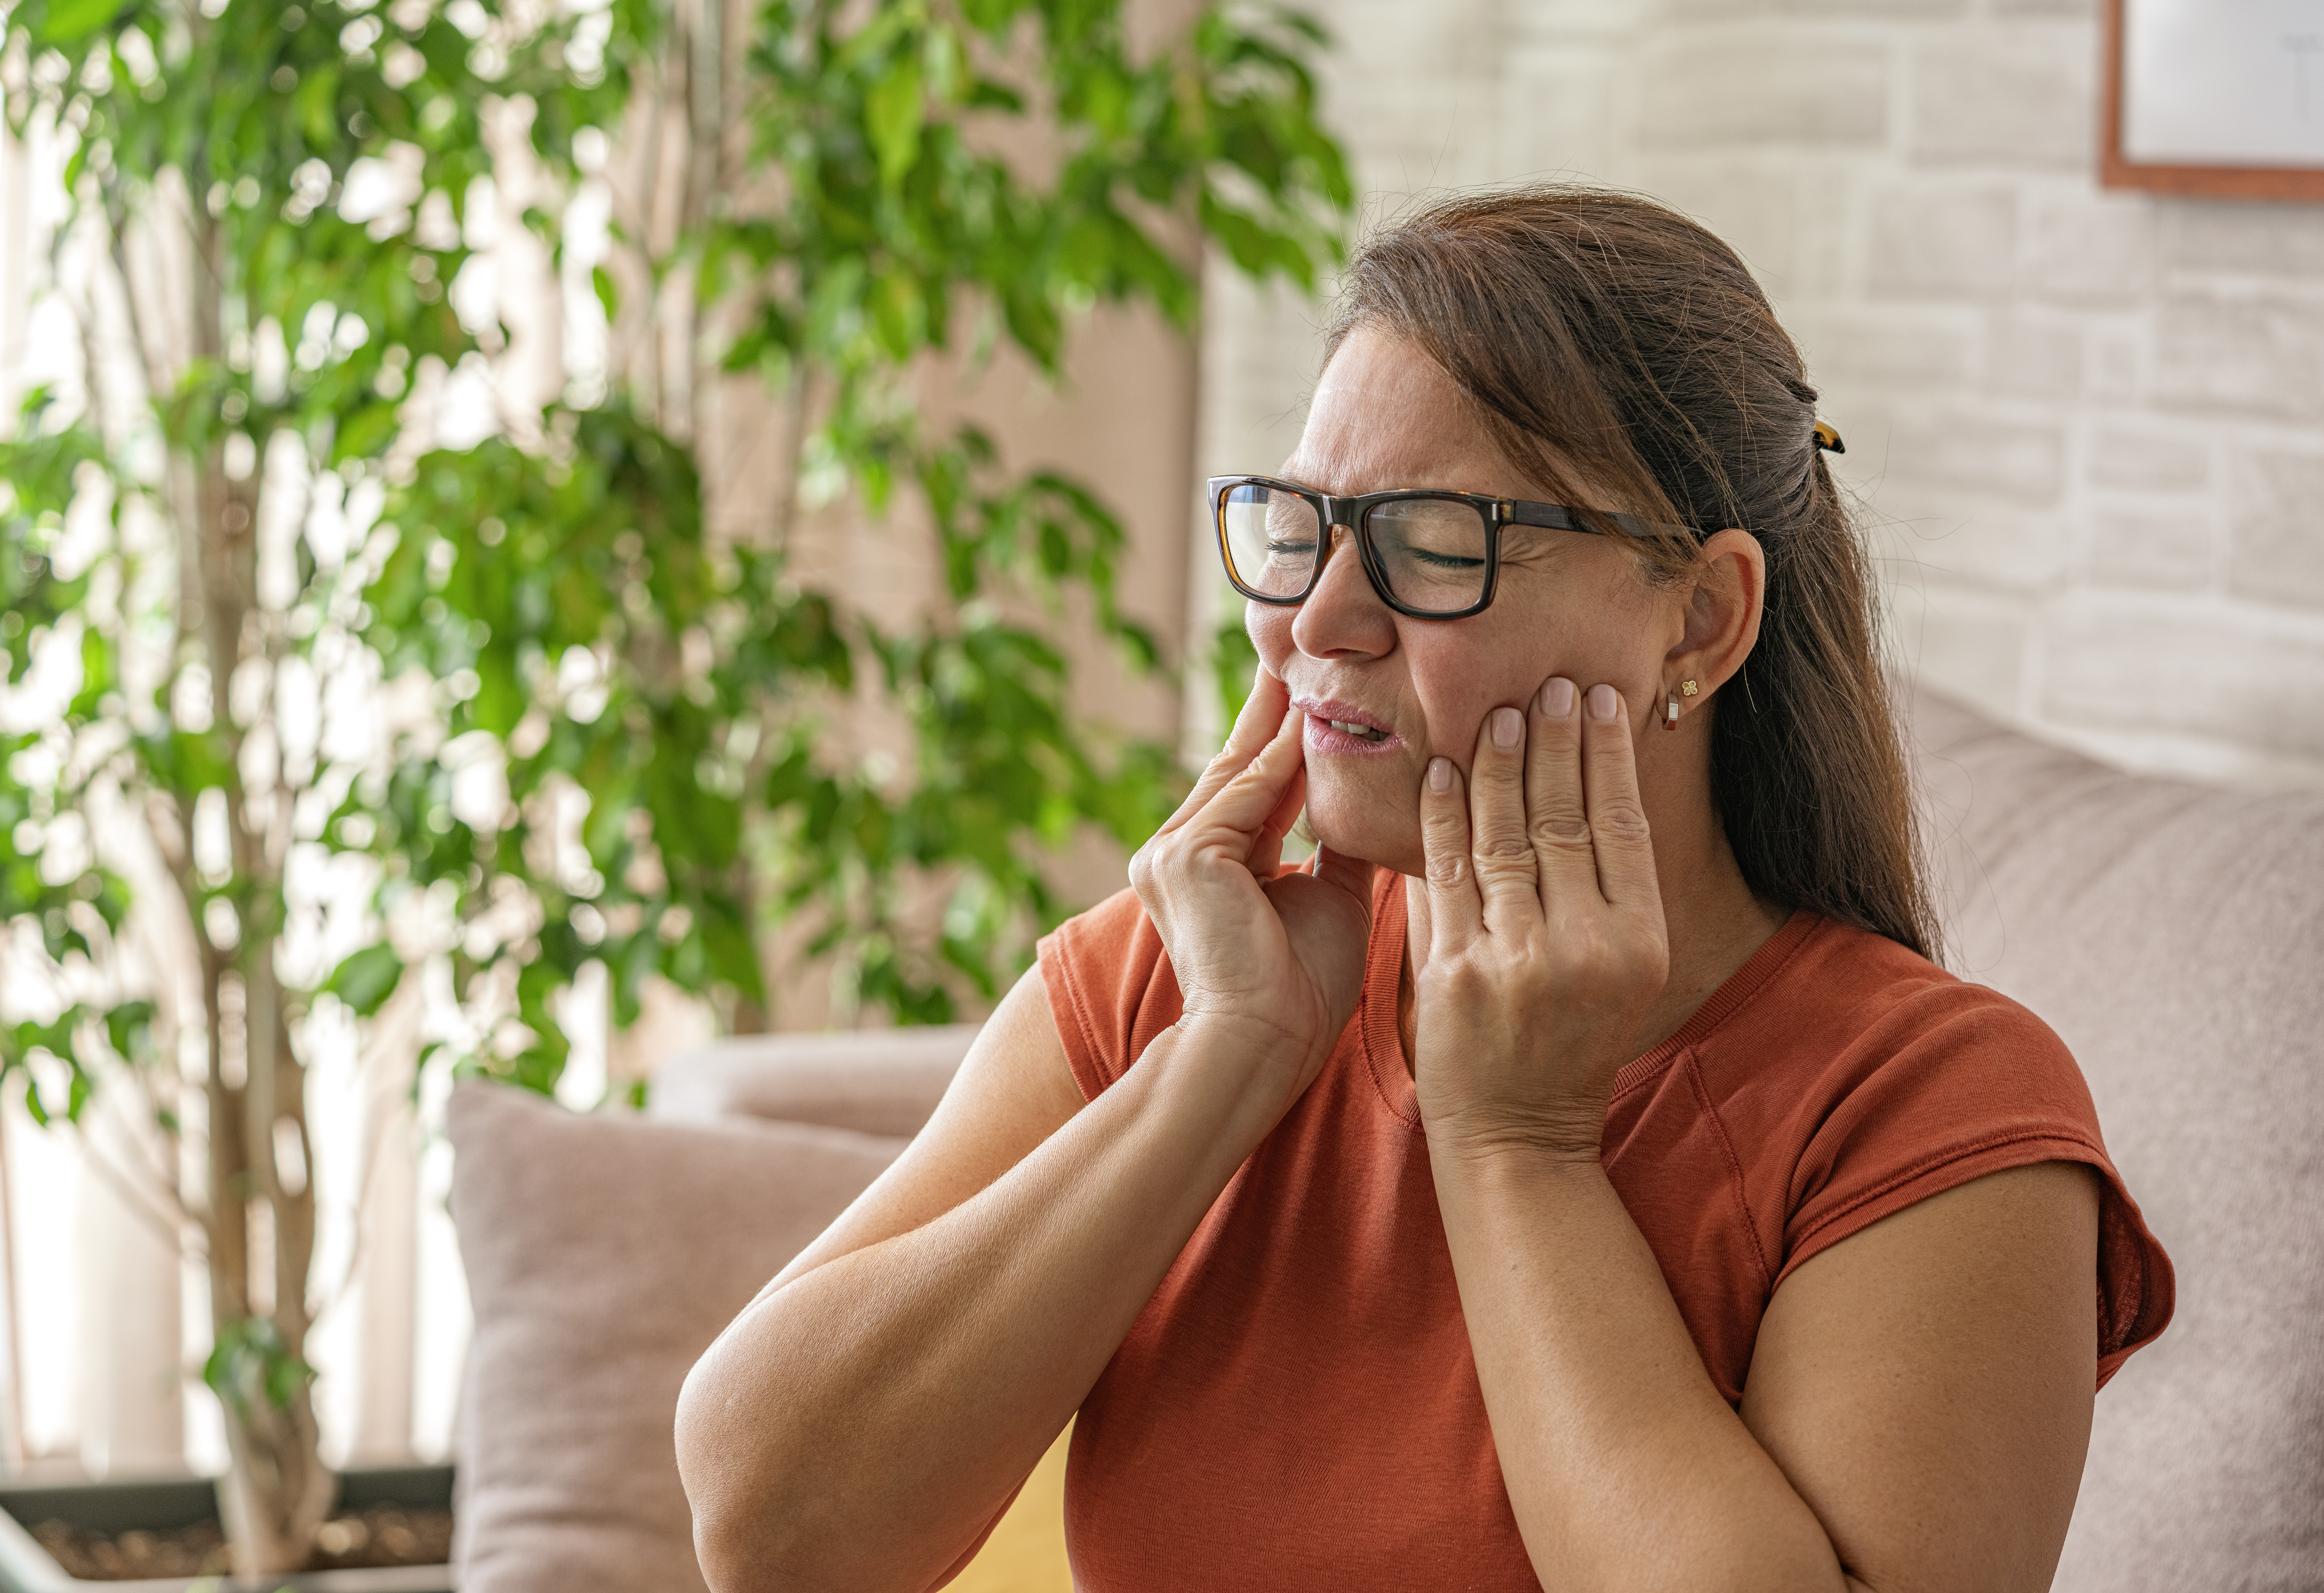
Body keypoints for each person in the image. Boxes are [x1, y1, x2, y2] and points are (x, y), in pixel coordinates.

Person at [674, 186, 2173, 1593]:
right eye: (1302, 525)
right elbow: (769, 1527)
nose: (1316, 620)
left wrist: (1513, 1138)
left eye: (1431, 545)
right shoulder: (1185, 971)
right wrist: (1222, 1061)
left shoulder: (1926, 1112)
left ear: (1699, 622)